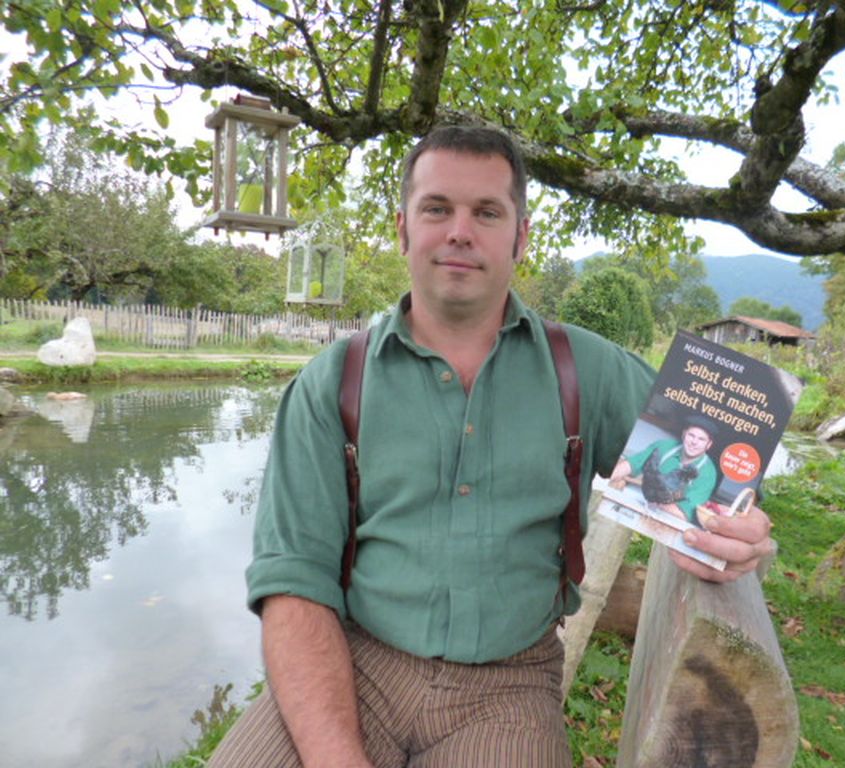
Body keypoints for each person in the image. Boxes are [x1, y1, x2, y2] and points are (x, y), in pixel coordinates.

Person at [208, 125, 773, 768]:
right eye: (437, 208)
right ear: (403, 228)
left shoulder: (589, 368)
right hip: (353, 660)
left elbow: (731, 469)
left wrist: (739, 529)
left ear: (520, 236)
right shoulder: (332, 383)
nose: (459, 231)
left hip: (509, 686)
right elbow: (295, 581)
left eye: (486, 212)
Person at [608, 416, 719, 525]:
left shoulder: (708, 473)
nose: (694, 442)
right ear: (684, 435)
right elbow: (631, 465)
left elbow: (685, 514)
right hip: (644, 500)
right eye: (691, 435)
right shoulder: (663, 446)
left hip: (670, 520)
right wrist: (604, 478)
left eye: (701, 439)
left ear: (709, 445)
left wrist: (657, 504)